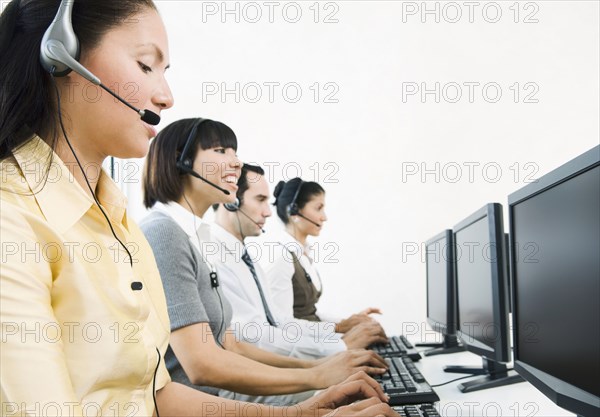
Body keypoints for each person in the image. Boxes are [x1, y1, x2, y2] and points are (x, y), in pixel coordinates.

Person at [0, 1, 399, 416]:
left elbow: (157, 394)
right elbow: (203, 362)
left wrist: (301, 412)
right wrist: (318, 371)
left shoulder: (120, 226)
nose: (166, 96)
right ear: (60, 55)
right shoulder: (13, 222)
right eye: (144, 65)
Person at [140, 118, 392, 406]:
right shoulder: (164, 233)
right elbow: (202, 365)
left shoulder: (198, 237)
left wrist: (319, 368)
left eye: (235, 152)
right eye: (222, 151)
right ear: (180, 160)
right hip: (203, 404)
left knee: (370, 396)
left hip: (219, 398)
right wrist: (318, 375)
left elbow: (232, 343)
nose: (236, 163)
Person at [212, 165, 389, 366]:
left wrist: (342, 329)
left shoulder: (247, 259)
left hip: (284, 361)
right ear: (230, 200)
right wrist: (339, 345)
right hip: (259, 373)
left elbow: (281, 323)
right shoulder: (218, 259)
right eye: (260, 200)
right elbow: (257, 338)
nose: (268, 213)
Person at [263, 178, 384, 334]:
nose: (324, 217)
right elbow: (284, 327)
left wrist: (350, 322)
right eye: (318, 208)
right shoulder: (281, 259)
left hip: (313, 342)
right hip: (303, 351)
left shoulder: (302, 254)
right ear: (293, 211)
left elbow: (310, 314)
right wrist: (340, 328)